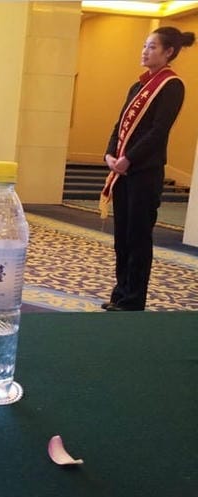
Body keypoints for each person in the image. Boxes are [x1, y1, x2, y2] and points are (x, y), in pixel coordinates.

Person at [101, 26, 195, 311]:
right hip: (122, 172)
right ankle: (120, 293)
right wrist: (110, 154)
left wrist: (129, 157)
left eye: (152, 47)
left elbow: (158, 131)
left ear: (169, 52)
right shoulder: (137, 86)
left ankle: (133, 299)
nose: (145, 51)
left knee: (138, 236)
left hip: (145, 172)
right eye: (144, 45)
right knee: (122, 236)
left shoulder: (172, 86)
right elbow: (119, 125)